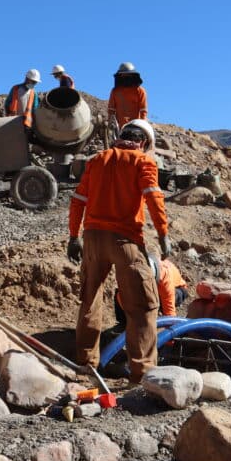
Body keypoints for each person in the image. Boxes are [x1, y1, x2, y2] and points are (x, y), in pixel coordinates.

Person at [68, 118, 171, 382]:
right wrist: (162, 234)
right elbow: (153, 197)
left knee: (90, 299)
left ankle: (86, 365)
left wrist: (73, 235)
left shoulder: (96, 160)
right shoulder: (143, 161)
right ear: (144, 142)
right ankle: (144, 373)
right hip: (125, 240)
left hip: (92, 238)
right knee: (142, 307)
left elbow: (78, 199)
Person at [114, 257, 188, 327]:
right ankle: (123, 325)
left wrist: (169, 337)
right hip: (155, 287)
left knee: (153, 301)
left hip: (178, 289)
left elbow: (170, 312)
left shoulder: (165, 279)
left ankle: (153, 318)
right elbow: (121, 296)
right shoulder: (134, 271)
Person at [107, 62, 148, 133]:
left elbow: (143, 111)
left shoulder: (140, 91)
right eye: (124, 75)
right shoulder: (115, 91)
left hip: (136, 127)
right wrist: (111, 125)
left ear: (133, 76)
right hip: (119, 129)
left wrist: (142, 126)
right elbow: (111, 110)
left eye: (128, 75)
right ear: (120, 76)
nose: (126, 78)